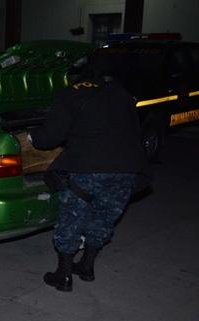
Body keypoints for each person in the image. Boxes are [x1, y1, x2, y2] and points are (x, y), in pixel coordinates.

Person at [29, 57, 150, 292]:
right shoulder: (122, 94)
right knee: (104, 218)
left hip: (87, 170)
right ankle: (86, 267)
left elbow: (51, 137)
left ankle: (63, 275)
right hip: (127, 170)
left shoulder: (71, 94)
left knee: (71, 221)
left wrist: (33, 137)